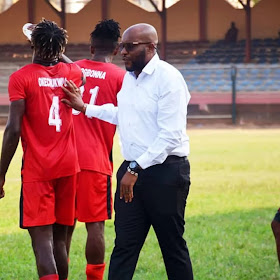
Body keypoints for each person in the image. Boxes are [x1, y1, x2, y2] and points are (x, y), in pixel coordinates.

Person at [62, 23, 193, 280]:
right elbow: (120, 114)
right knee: (124, 247)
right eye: (122, 46)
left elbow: (170, 135)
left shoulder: (169, 78)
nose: (123, 52)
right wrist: (85, 107)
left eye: (130, 47)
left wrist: (135, 168)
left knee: (172, 247)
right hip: (132, 174)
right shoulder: (130, 79)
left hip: (165, 174)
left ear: (151, 47)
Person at [0, 19, 83, 280]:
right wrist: (54, 48)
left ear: (33, 45)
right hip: (69, 167)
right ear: (60, 47)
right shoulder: (72, 73)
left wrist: (0, 173)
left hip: (38, 170)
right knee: (61, 242)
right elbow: (72, 65)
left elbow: (13, 129)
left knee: (42, 242)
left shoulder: (20, 78)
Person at [65, 19, 125, 280]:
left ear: (91, 47)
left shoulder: (71, 69)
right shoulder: (123, 78)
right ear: (116, 49)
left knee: (62, 228)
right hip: (95, 161)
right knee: (95, 226)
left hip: (64, 158)